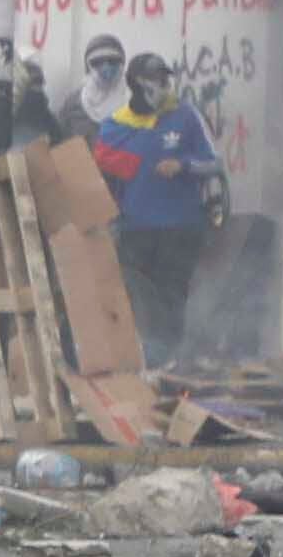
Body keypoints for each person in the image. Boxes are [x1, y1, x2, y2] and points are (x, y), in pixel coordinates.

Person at [92, 52, 229, 362]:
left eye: (166, 78)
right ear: (136, 84)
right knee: (134, 297)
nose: (164, 85)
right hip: (134, 230)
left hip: (180, 228)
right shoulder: (114, 127)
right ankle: (137, 360)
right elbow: (102, 178)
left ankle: (167, 362)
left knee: (171, 295)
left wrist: (182, 165)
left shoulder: (185, 116)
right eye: (156, 79)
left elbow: (214, 164)